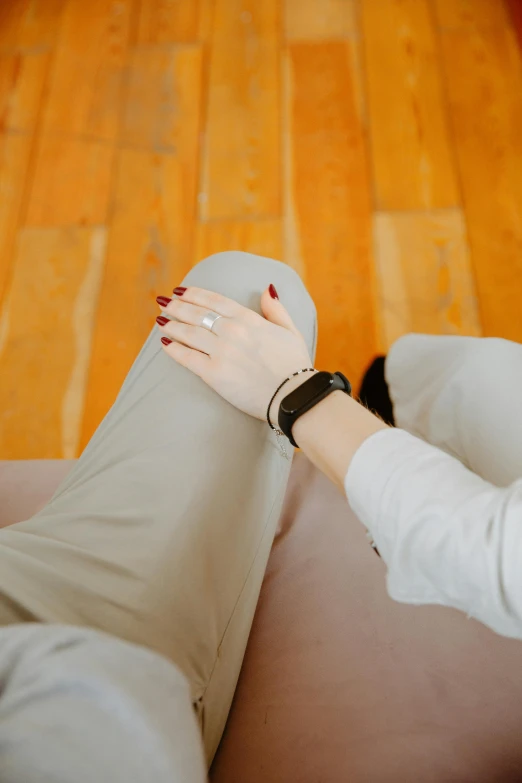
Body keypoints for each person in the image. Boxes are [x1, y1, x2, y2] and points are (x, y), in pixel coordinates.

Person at [0, 251, 521, 781]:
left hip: (82, 700)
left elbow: (484, 551)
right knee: (251, 293)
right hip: (60, 646)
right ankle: (393, 396)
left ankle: (390, 399)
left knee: (244, 290)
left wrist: (297, 394)